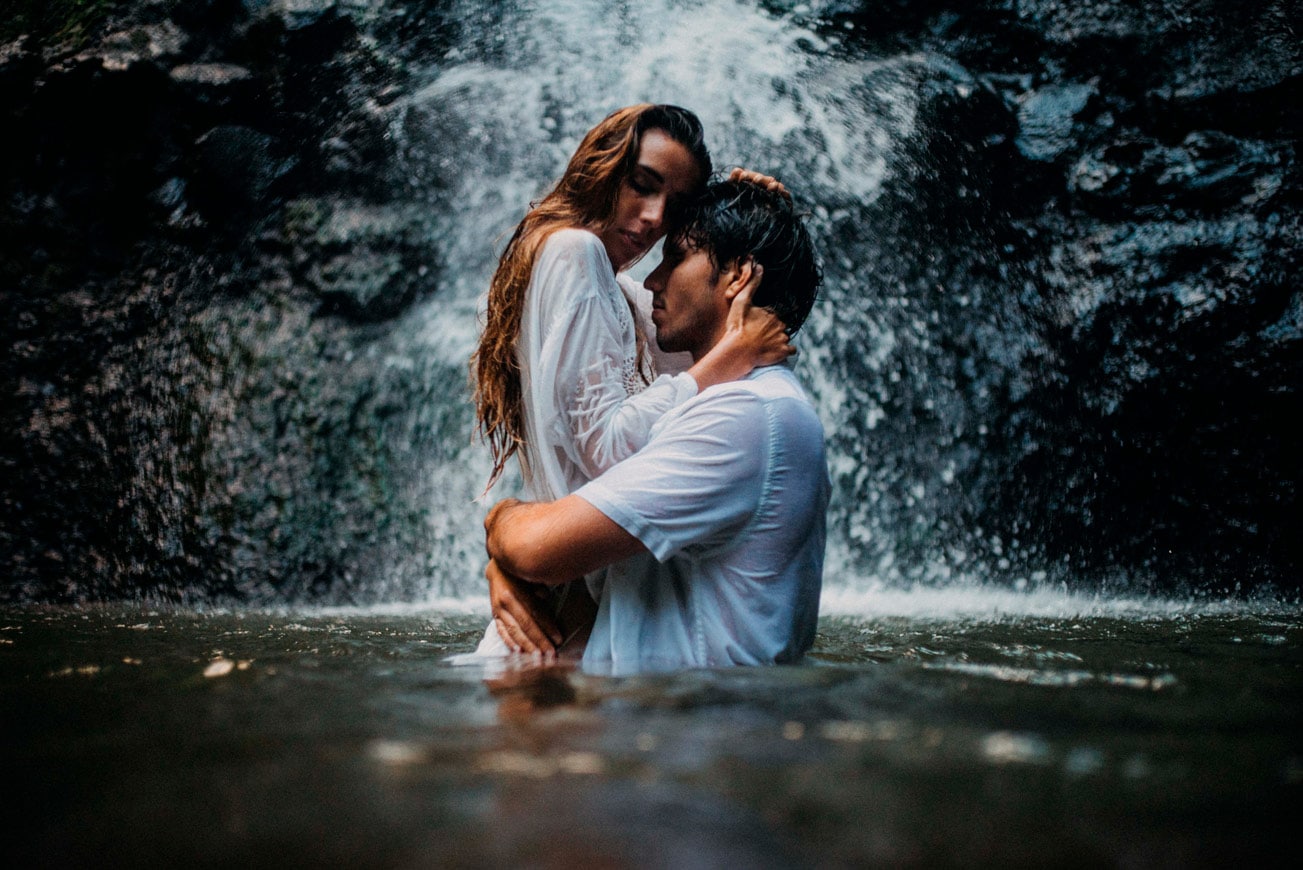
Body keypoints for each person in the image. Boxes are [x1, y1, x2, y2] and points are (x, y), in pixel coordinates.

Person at [470, 104, 793, 655]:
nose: (652, 218)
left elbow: (701, 356)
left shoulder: (616, 292)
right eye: (641, 185)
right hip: (574, 626)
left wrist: (749, 214)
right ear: (601, 166)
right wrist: (733, 354)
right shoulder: (577, 251)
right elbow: (607, 451)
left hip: (579, 613)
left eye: (676, 205)